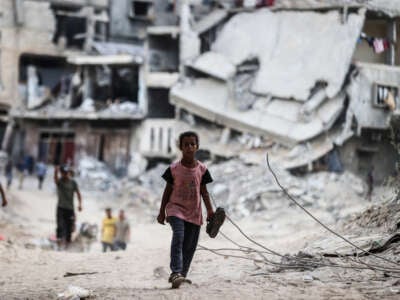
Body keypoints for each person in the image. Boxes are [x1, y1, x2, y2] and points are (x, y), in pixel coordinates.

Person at [157, 131, 214, 289]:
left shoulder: (202, 169)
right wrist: (162, 212)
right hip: (175, 209)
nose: (189, 147)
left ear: (197, 146)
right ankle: (175, 272)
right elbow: (167, 191)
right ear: (180, 147)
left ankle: (181, 275)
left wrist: (210, 210)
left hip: (194, 212)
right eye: (186, 145)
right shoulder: (174, 169)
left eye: (192, 144)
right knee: (179, 236)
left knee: (190, 246)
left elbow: (204, 192)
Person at [54, 165, 82, 249]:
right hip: (61, 207)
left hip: (70, 208)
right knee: (60, 225)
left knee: (69, 226)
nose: (65, 175)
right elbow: (55, 180)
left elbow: (78, 193)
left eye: (66, 173)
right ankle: (59, 242)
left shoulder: (73, 182)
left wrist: (80, 204)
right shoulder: (60, 182)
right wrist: (55, 172)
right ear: (61, 173)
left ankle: (67, 245)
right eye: (63, 173)